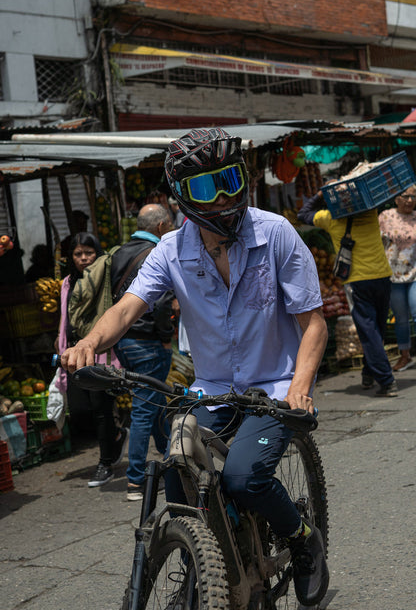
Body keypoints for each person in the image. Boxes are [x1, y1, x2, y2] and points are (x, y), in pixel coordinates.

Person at [62, 128, 329, 607]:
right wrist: (89, 343)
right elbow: (126, 309)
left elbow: (313, 324)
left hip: (273, 387)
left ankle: (302, 538)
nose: (224, 196)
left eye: (229, 179)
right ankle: (204, 561)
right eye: (207, 187)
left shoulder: (276, 234)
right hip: (211, 388)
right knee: (175, 467)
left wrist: (300, 387)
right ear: (183, 196)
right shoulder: (169, 252)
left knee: (245, 477)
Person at [298, 185, 397, 397]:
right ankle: (369, 374)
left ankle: (387, 381)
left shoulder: (331, 219)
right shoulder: (370, 213)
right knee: (376, 329)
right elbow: (384, 196)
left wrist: (318, 195)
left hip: (357, 282)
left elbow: (303, 214)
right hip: (382, 276)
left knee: (369, 332)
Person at [110, 204, 175, 501]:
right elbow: (161, 303)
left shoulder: (119, 252)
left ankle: (169, 457)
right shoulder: (158, 253)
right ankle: (136, 480)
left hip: (123, 340)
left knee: (155, 399)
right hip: (148, 342)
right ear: (161, 226)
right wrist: (165, 337)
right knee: (144, 409)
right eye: (171, 224)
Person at [55, 231, 129, 487]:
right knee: (79, 410)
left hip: (100, 352)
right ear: (71, 257)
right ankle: (117, 435)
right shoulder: (67, 282)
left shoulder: (105, 277)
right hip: (75, 351)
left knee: (100, 409)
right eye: (78, 254)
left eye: (89, 252)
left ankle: (105, 463)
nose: (84, 258)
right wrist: (61, 341)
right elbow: (65, 316)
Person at [378, 184, 416, 372]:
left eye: (413, 197)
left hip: (415, 274)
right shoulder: (385, 217)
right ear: (396, 198)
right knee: (400, 319)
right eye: (405, 197)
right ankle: (405, 356)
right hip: (392, 276)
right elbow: (377, 243)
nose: (410, 200)